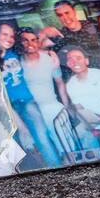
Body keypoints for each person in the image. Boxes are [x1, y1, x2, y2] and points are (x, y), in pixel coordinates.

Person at [0, 22, 63, 168]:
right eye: (4, 34)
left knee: (42, 139)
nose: (9, 38)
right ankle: (30, 175)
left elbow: (35, 44)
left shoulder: (15, 52)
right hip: (7, 107)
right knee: (19, 145)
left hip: (27, 102)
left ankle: (57, 168)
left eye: (11, 35)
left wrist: (48, 46)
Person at [18, 28, 70, 159]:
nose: (30, 43)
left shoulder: (49, 59)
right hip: (32, 113)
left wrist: (66, 106)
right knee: (45, 150)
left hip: (52, 107)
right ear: (21, 43)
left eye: (33, 40)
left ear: (38, 42)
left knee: (67, 148)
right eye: (25, 40)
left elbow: (60, 83)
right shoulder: (16, 63)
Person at [41, 0, 100, 74]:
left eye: (67, 13)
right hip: (81, 78)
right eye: (60, 15)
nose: (65, 18)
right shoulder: (60, 35)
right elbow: (40, 50)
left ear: (74, 12)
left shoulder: (93, 25)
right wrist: (43, 33)